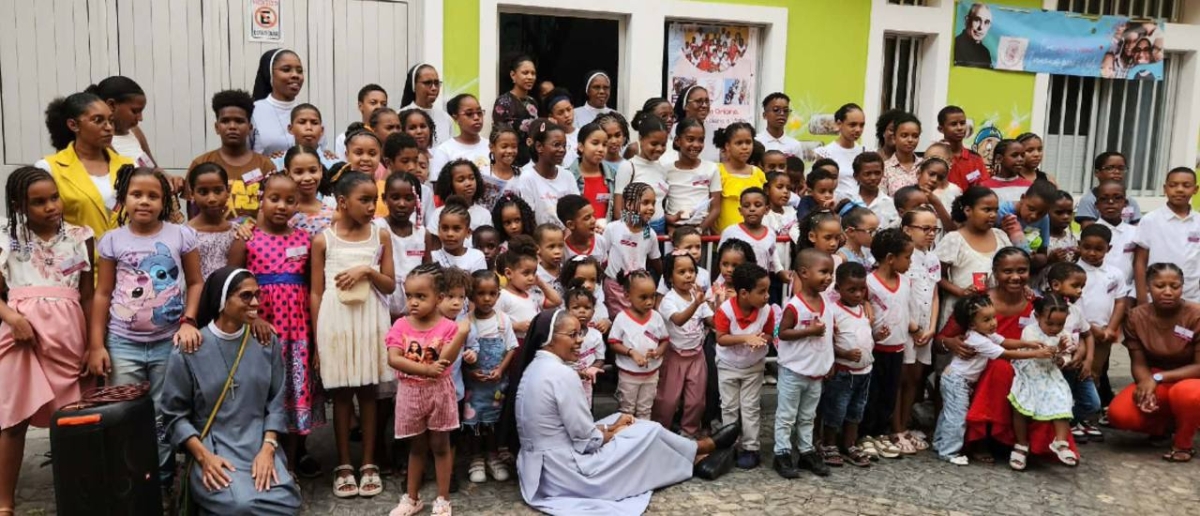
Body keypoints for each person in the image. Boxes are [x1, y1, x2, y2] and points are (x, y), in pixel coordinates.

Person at [512, 308, 741, 515]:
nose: (580, 340)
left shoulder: (536, 368)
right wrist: (614, 432)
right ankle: (700, 452)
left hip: (542, 469)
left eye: (580, 333)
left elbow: (567, 429)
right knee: (647, 431)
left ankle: (697, 454)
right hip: (568, 472)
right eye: (572, 335)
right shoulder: (562, 375)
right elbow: (586, 440)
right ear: (549, 339)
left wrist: (611, 426)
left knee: (627, 418)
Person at [88, 166, 203, 487]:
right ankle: (129, 485)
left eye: (153, 196)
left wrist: (189, 320)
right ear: (123, 199)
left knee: (163, 416)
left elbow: (195, 282)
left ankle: (162, 483)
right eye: (136, 194)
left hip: (168, 343)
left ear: (164, 201)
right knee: (122, 414)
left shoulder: (180, 235)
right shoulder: (113, 240)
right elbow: (102, 293)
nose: (144, 202)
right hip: (123, 344)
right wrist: (97, 345)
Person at [159, 267, 301, 514]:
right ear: (223, 300)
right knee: (240, 504)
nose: (256, 303)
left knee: (288, 501)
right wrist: (204, 457)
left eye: (258, 295)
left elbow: (276, 402)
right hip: (214, 448)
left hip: (258, 443)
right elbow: (174, 415)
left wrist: (268, 449)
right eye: (246, 296)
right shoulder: (190, 348)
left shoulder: (266, 341)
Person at [0, 167, 95, 516]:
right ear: (19, 205)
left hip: (68, 336)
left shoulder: (80, 234)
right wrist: (12, 318)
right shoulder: (7, 236)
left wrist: (92, 343)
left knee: (72, 420)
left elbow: (88, 295)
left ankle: (78, 498)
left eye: (53, 197)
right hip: (20, 339)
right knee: (13, 421)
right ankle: (5, 503)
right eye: (38, 202)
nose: (50, 206)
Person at [227, 172, 324, 475]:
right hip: (260, 329)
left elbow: (312, 286)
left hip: (298, 330)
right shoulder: (247, 238)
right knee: (262, 391)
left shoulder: (305, 240)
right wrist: (255, 318)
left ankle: (292, 464)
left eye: (290, 200)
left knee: (296, 390)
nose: (282, 206)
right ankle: (258, 459)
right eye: (274, 198)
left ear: (299, 203)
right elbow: (232, 287)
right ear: (261, 200)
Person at [310, 171, 395, 498]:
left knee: (369, 390)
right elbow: (316, 292)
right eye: (364, 200)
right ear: (342, 202)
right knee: (342, 394)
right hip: (337, 320)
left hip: (371, 317)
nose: (371, 206)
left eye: (374, 199)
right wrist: (318, 338)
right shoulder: (324, 240)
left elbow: (389, 284)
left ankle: (369, 462)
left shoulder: (380, 236)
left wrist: (367, 270)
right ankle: (344, 463)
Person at [385, 264, 467, 516]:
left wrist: (462, 333)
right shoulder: (401, 325)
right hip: (410, 393)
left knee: (441, 446)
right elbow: (394, 358)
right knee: (417, 447)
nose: (413, 302)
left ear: (439, 298)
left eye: (421, 296)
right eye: (409, 296)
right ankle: (412, 498)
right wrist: (425, 370)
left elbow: (446, 359)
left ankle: (442, 499)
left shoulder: (449, 327)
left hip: (439, 393)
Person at [933, 293, 1053, 465]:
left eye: (993, 317)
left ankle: (939, 443)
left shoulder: (986, 335)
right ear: (973, 324)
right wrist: (1036, 353)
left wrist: (1028, 344)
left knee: (948, 414)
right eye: (987, 320)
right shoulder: (978, 339)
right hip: (956, 381)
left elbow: (1005, 342)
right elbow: (1005, 353)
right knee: (957, 417)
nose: (993, 323)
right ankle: (949, 452)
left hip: (957, 380)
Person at [1108, 263, 1200, 463]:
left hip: (1192, 379)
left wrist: (1157, 378)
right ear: (1148, 287)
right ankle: (1165, 426)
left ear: (1182, 287)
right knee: (1120, 414)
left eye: (1174, 286)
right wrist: (1145, 385)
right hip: (1158, 378)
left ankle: (1183, 443)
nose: (1168, 292)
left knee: (1186, 394)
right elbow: (1138, 361)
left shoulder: (1196, 315)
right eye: (1160, 286)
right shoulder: (1136, 316)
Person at [37, 92, 136, 247]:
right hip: (77, 266)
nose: (109, 128)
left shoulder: (128, 167)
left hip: (125, 264)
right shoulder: (49, 168)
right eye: (98, 120)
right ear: (73, 125)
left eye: (111, 121)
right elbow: (39, 223)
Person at [774, 249, 835, 478]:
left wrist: (829, 362)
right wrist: (809, 330)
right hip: (794, 371)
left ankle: (806, 449)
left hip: (815, 373)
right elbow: (784, 333)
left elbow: (828, 336)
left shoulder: (826, 302)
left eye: (831, 273)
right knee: (787, 415)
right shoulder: (795, 305)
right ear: (804, 273)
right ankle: (782, 451)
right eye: (823, 272)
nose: (829, 277)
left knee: (808, 415)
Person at [715, 262, 775, 469]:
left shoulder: (766, 311)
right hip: (728, 365)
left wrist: (763, 339)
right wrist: (745, 338)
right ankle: (729, 445)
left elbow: (769, 333)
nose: (767, 296)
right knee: (729, 407)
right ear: (743, 293)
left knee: (750, 408)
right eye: (762, 291)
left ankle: (751, 448)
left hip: (753, 366)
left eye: (767, 290)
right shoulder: (725, 311)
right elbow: (721, 338)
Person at [1011, 293, 1080, 470]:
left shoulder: (1064, 335)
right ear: (1037, 317)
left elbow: (1065, 358)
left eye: (1060, 324)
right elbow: (1040, 353)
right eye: (1050, 323)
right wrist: (1058, 349)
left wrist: (1062, 357)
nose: (1055, 328)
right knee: (1021, 405)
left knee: (1062, 400)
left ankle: (1061, 442)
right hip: (1029, 372)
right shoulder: (1030, 331)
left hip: (1050, 374)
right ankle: (1021, 444)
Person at [463, 270, 519, 484]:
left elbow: (511, 348)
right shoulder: (466, 322)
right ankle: (476, 458)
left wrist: (501, 369)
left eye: (492, 293)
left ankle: (493, 456)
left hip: (496, 384)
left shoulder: (503, 320)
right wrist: (470, 371)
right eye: (481, 293)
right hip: (474, 386)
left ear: (498, 294)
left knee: (493, 422)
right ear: (471, 295)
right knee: (474, 422)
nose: (487, 299)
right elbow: (459, 354)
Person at [190, 90, 279, 220]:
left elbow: (273, 207)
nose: (232, 126)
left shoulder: (265, 165)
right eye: (225, 121)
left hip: (254, 238)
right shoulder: (201, 164)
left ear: (250, 127)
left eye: (239, 121)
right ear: (216, 127)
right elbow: (192, 212)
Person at [819, 262, 875, 468]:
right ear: (838, 288)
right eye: (852, 290)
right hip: (844, 372)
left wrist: (877, 335)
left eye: (862, 289)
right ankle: (829, 444)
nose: (858, 294)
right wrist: (844, 353)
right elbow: (827, 342)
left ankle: (849, 444)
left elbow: (865, 336)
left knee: (856, 411)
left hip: (865, 372)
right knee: (836, 409)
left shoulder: (863, 310)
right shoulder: (833, 311)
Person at [651, 250, 712, 437]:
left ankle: (689, 433)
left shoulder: (697, 296)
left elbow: (712, 320)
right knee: (668, 400)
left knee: (696, 401)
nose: (688, 275)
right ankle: (661, 432)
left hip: (696, 356)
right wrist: (697, 304)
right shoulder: (668, 300)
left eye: (691, 271)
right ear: (670, 276)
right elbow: (678, 320)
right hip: (675, 356)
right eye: (682, 272)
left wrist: (718, 303)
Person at [937, 186, 1011, 328]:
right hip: (961, 310)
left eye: (996, 210)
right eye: (987, 210)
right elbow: (935, 275)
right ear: (968, 210)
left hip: (992, 310)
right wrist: (961, 291)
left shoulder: (1000, 235)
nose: (993, 215)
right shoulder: (954, 239)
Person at [1133, 167, 1200, 304]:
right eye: (1173, 185)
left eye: (1186, 185)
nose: (1180, 189)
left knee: (1186, 326)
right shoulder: (1151, 220)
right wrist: (1142, 299)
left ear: (1195, 189)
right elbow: (1140, 262)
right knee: (1157, 326)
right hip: (1156, 297)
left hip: (1192, 298)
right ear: (1165, 188)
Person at [608, 270, 669, 420]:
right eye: (643, 297)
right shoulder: (622, 318)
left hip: (651, 374)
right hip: (629, 376)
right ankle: (627, 439)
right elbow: (613, 343)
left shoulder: (656, 317)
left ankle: (643, 438)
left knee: (645, 409)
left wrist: (658, 351)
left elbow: (664, 340)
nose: (649, 302)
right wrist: (631, 352)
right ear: (628, 296)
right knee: (626, 409)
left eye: (653, 296)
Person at [603, 183, 663, 316]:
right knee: (619, 322)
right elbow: (602, 256)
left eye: (653, 203)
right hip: (615, 287)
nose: (651, 208)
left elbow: (655, 260)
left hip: (638, 289)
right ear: (629, 204)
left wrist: (666, 277)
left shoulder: (649, 233)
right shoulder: (613, 228)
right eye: (645, 203)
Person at [511, 120, 580, 227]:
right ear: (539, 147)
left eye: (564, 145)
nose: (562, 150)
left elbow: (576, 211)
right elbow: (529, 219)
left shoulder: (568, 176)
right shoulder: (527, 178)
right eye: (556, 145)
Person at [614, 114, 670, 234]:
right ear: (641, 139)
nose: (659, 148)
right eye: (654, 144)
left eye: (663, 144)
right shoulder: (628, 167)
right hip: (635, 229)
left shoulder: (662, 168)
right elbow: (618, 209)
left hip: (659, 229)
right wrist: (630, 233)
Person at [665, 118, 722, 232]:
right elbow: (658, 203)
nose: (696, 145)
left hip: (701, 230)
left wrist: (699, 230)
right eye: (690, 139)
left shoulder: (711, 168)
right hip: (674, 231)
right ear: (677, 141)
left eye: (701, 140)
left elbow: (716, 208)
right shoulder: (666, 170)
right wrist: (668, 221)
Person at [87, 76, 154, 166]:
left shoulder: (135, 131)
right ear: (111, 105)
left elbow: (151, 167)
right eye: (135, 111)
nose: (140, 118)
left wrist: (167, 177)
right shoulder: (100, 140)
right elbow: (121, 171)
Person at [251, 49, 306, 155]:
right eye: (286, 70)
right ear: (270, 73)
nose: (295, 75)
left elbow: (320, 151)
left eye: (299, 71)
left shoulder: (309, 112)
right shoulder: (253, 111)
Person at [186, 163, 236, 279]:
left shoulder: (237, 232)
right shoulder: (184, 234)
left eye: (218, 191)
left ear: (227, 191)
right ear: (192, 194)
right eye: (203, 192)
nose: (212, 199)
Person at [715, 123, 767, 232]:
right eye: (739, 143)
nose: (745, 147)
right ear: (727, 146)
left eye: (748, 142)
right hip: (723, 239)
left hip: (753, 238)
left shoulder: (758, 173)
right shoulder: (717, 171)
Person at [430, 94, 490, 182]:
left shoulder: (491, 146)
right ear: (456, 118)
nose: (476, 117)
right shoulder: (445, 150)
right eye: (469, 114)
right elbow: (439, 188)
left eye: (479, 112)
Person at [493, 55, 539, 166]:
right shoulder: (503, 102)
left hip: (532, 160)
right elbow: (499, 134)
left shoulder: (533, 102)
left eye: (533, 73)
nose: (530, 77)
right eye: (525, 73)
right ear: (513, 75)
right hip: (511, 159)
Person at [814, 103, 867, 199]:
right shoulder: (825, 153)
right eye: (853, 125)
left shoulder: (864, 152)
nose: (858, 129)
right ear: (839, 124)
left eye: (861, 125)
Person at [1076, 152, 1142, 227]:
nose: (1117, 172)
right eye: (1110, 168)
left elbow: (1137, 229)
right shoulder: (1089, 200)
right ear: (1097, 173)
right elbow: (1088, 229)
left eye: (1121, 168)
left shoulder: (1130, 201)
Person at [566, 125, 616, 223]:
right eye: (595, 143)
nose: (601, 149)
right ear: (581, 147)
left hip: (604, 234)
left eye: (604, 144)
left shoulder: (613, 176)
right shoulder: (568, 176)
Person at [938, 106, 990, 192]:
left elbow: (984, 189)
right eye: (953, 124)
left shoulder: (975, 159)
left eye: (962, 123)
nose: (959, 128)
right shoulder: (934, 156)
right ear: (941, 129)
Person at [401, 64, 453, 146]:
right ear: (414, 86)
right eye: (428, 83)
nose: (434, 88)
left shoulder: (446, 118)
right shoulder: (400, 116)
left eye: (436, 83)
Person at [336, 84, 389, 159]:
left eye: (384, 104)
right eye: (373, 103)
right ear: (360, 106)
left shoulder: (389, 136)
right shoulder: (344, 138)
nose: (379, 107)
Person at [881, 113, 922, 196]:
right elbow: (882, 201)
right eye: (904, 135)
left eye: (915, 136)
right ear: (894, 138)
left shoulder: (925, 165)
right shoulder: (885, 169)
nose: (910, 140)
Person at [672, 86, 718, 161]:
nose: (704, 105)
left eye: (707, 101)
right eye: (699, 101)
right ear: (685, 106)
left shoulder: (714, 132)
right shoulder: (672, 131)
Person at [757, 93, 803, 157]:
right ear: (764, 115)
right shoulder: (757, 142)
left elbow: (798, 166)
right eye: (776, 110)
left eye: (786, 110)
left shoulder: (794, 145)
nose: (782, 113)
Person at [954, 3, 994, 67]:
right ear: (967, 20)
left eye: (986, 22)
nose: (981, 27)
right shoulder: (955, 45)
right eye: (977, 20)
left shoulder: (985, 52)